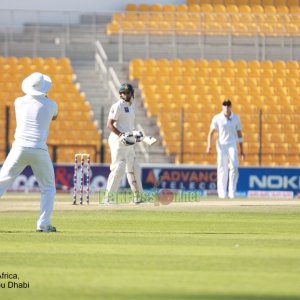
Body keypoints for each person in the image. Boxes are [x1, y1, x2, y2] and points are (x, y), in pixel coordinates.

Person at [0, 72, 58, 232]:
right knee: (48, 188)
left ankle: (44, 223)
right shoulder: (51, 104)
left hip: (19, 148)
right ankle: (43, 224)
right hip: (39, 150)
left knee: (2, 182)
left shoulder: (19, 102)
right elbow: (54, 117)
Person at [103, 83, 144, 204]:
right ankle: (108, 198)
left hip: (129, 141)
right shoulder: (118, 106)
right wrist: (121, 135)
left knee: (134, 167)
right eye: (123, 92)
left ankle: (139, 197)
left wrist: (134, 134)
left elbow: (128, 126)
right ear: (120, 94)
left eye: (128, 92)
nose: (126, 95)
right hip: (118, 142)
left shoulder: (131, 107)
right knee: (119, 167)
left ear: (132, 94)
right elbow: (109, 124)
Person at [206, 99, 245, 199]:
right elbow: (211, 132)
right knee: (222, 168)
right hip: (221, 145)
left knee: (234, 167)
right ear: (222, 107)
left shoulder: (236, 118)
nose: (226, 107)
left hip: (232, 144)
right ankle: (222, 193)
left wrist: (242, 151)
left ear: (231, 107)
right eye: (224, 105)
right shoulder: (217, 118)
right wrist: (209, 145)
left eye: (228, 105)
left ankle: (232, 193)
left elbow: (240, 134)